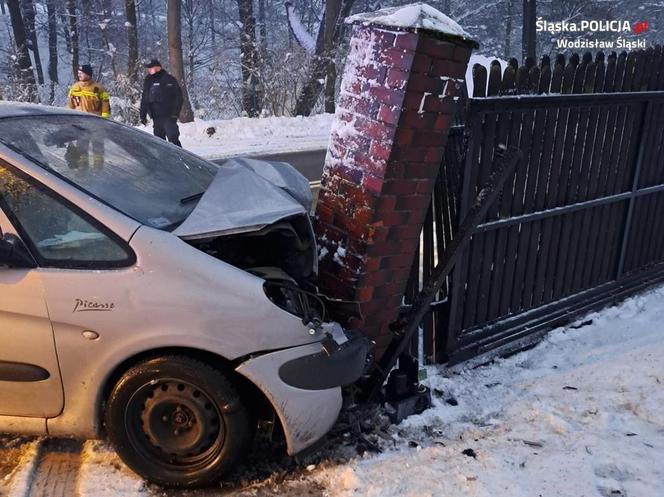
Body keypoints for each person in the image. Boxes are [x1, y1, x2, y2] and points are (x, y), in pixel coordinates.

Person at [66, 64, 110, 167]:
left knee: (98, 148)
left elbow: (105, 106)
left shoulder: (99, 88)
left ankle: (98, 168)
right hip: (80, 124)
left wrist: (103, 121)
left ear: (88, 74)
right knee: (81, 148)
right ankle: (82, 168)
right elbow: (70, 106)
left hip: (96, 123)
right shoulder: (75, 87)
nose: (79, 75)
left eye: (81, 73)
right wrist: (69, 121)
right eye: (78, 73)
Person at [139, 59, 183, 147]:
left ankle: (182, 159)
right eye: (149, 68)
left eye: (151, 68)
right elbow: (145, 98)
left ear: (158, 68)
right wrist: (142, 114)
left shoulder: (168, 79)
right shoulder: (148, 81)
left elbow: (178, 98)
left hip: (168, 117)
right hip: (156, 117)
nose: (149, 70)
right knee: (159, 143)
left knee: (173, 140)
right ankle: (164, 160)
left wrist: (175, 114)